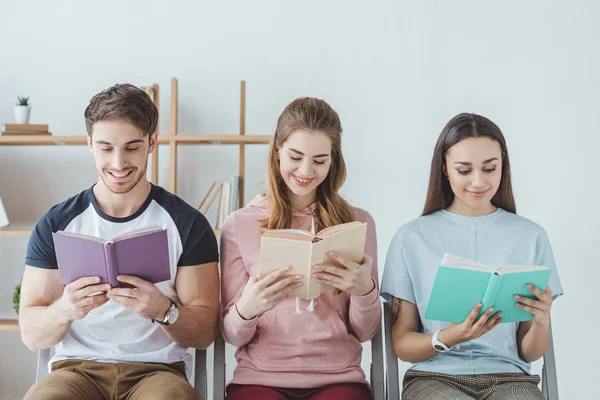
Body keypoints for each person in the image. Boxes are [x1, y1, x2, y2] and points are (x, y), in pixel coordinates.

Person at [20, 84, 219, 400]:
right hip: (76, 372)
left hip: (157, 373)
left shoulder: (188, 224)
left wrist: (164, 310)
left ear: (152, 142)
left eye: (132, 147)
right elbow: (31, 333)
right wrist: (65, 309)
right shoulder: (56, 224)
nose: (118, 163)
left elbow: (205, 332)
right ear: (89, 144)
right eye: (105, 147)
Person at [381, 113, 563, 400]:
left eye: (490, 168)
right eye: (464, 170)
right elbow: (402, 344)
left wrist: (541, 320)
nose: (478, 182)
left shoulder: (531, 236)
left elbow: (530, 352)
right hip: (434, 378)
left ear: (503, 165)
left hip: (510, 378)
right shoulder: (411, 237)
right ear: (444, 168)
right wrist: (450, 337)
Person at [220, 97, 381, 400]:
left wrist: (364, 291)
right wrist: (248, 307)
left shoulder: (358, 223)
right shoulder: (240, 225)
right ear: (278, 151)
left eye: (319, 160)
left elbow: (365, 332)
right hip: (260, 378)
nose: (306, 171)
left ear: (333, 160)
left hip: (338, 377)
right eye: (295, 156)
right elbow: (231, 335)